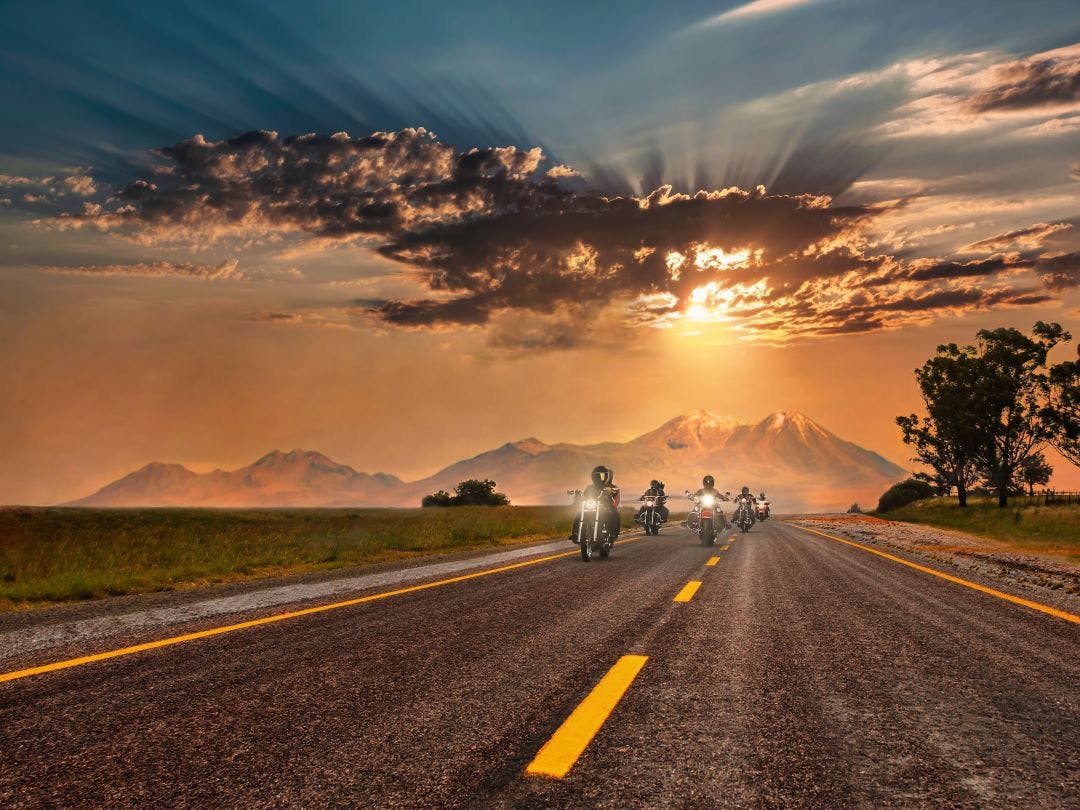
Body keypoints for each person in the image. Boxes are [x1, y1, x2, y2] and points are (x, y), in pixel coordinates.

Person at [570, 465, 621, 542]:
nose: (600, 478)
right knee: (579, 513)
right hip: (592, 506)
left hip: (606, 507)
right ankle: (575, 533)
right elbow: (585, 496)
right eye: (597, 476)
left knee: (614, 513)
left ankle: (613, 534)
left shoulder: (611, 487)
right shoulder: (590, 487)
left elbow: (616, 493)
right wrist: (578, 495)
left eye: (602, 476)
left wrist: (612, 493)